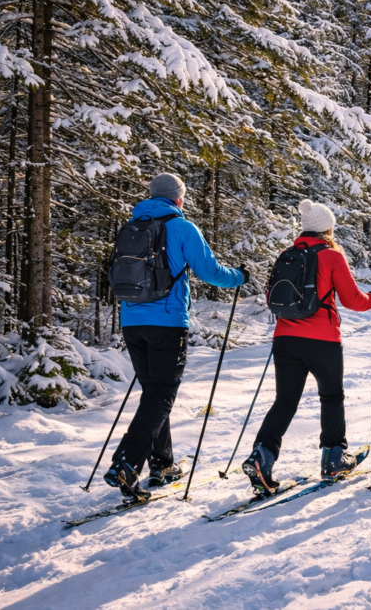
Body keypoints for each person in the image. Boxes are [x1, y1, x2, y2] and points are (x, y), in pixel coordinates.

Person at [103, 173, 249, 501]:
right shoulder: (182, 227)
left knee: (154, 392)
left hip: (131, 320)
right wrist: (240, 276)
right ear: (178, 198)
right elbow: (211, 273)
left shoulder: (131, 227)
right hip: (167, 322)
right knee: (162, 394)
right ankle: (126, 462)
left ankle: (163, 464)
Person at [242, 199, 371, 492]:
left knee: (285, 401)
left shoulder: (286, 254)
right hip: (323, 340)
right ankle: (333, 459)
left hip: (285, 338)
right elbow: (352, 300)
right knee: (331, 397)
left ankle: (262, 455)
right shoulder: (331, 256)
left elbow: (272, 295)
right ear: (327, 229)